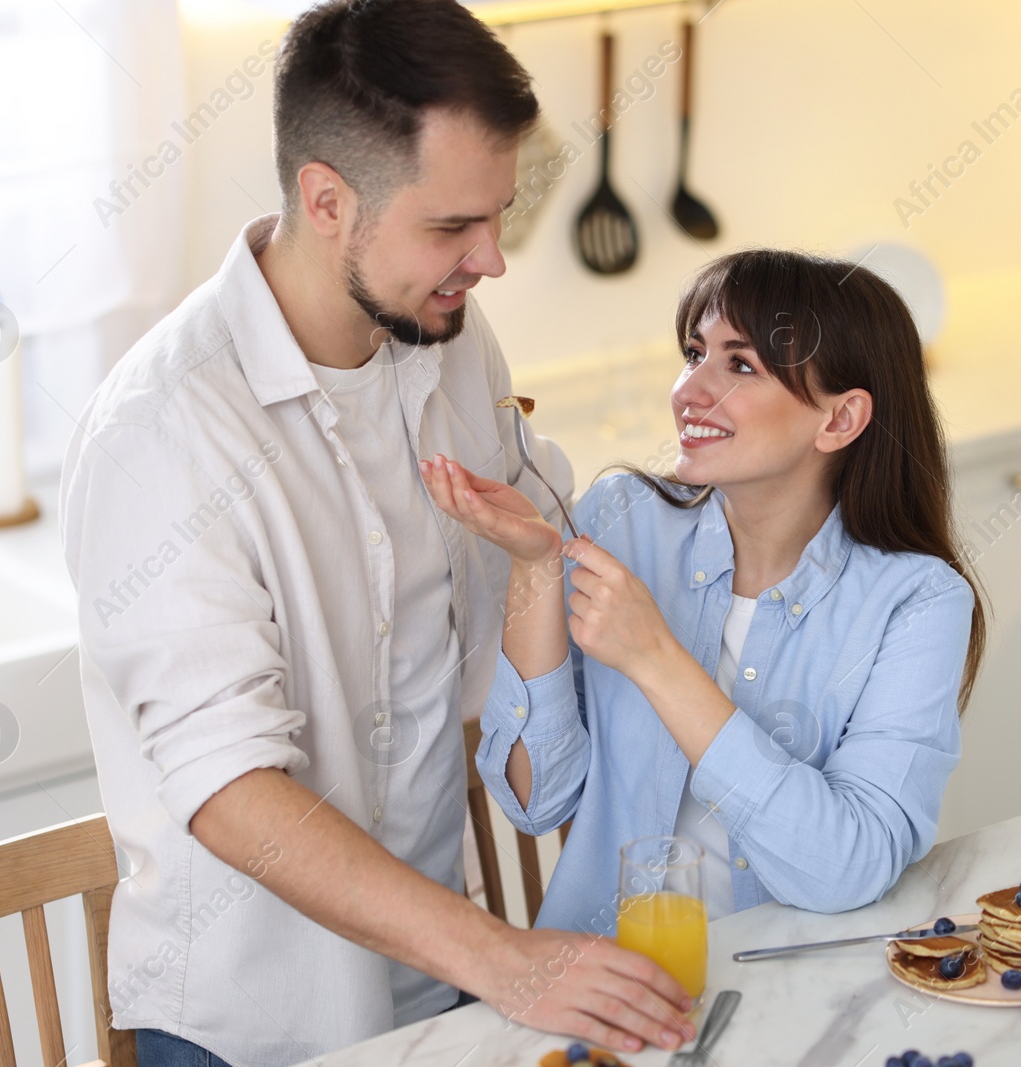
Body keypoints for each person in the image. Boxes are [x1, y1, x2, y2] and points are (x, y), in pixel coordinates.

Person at [60, 2, 697, 1064]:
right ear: (325, 199)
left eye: (498, 214)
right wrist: (508, 957)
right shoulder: (161, 434)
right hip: (257, 1023)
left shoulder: (439, 332)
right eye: (453, 226)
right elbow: (230, 792)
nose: (490, 259)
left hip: (435, 974)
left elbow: (545, 546)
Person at [422, 248, 986, 934]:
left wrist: (656, 658)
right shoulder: (620, 518)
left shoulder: (917, 602)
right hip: (601, 978)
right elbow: (534, 800)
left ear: (839, 420)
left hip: (788, 996)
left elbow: (847, 866)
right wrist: (535, 570)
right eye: (694, 353)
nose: (688, 391)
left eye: (739, 365)